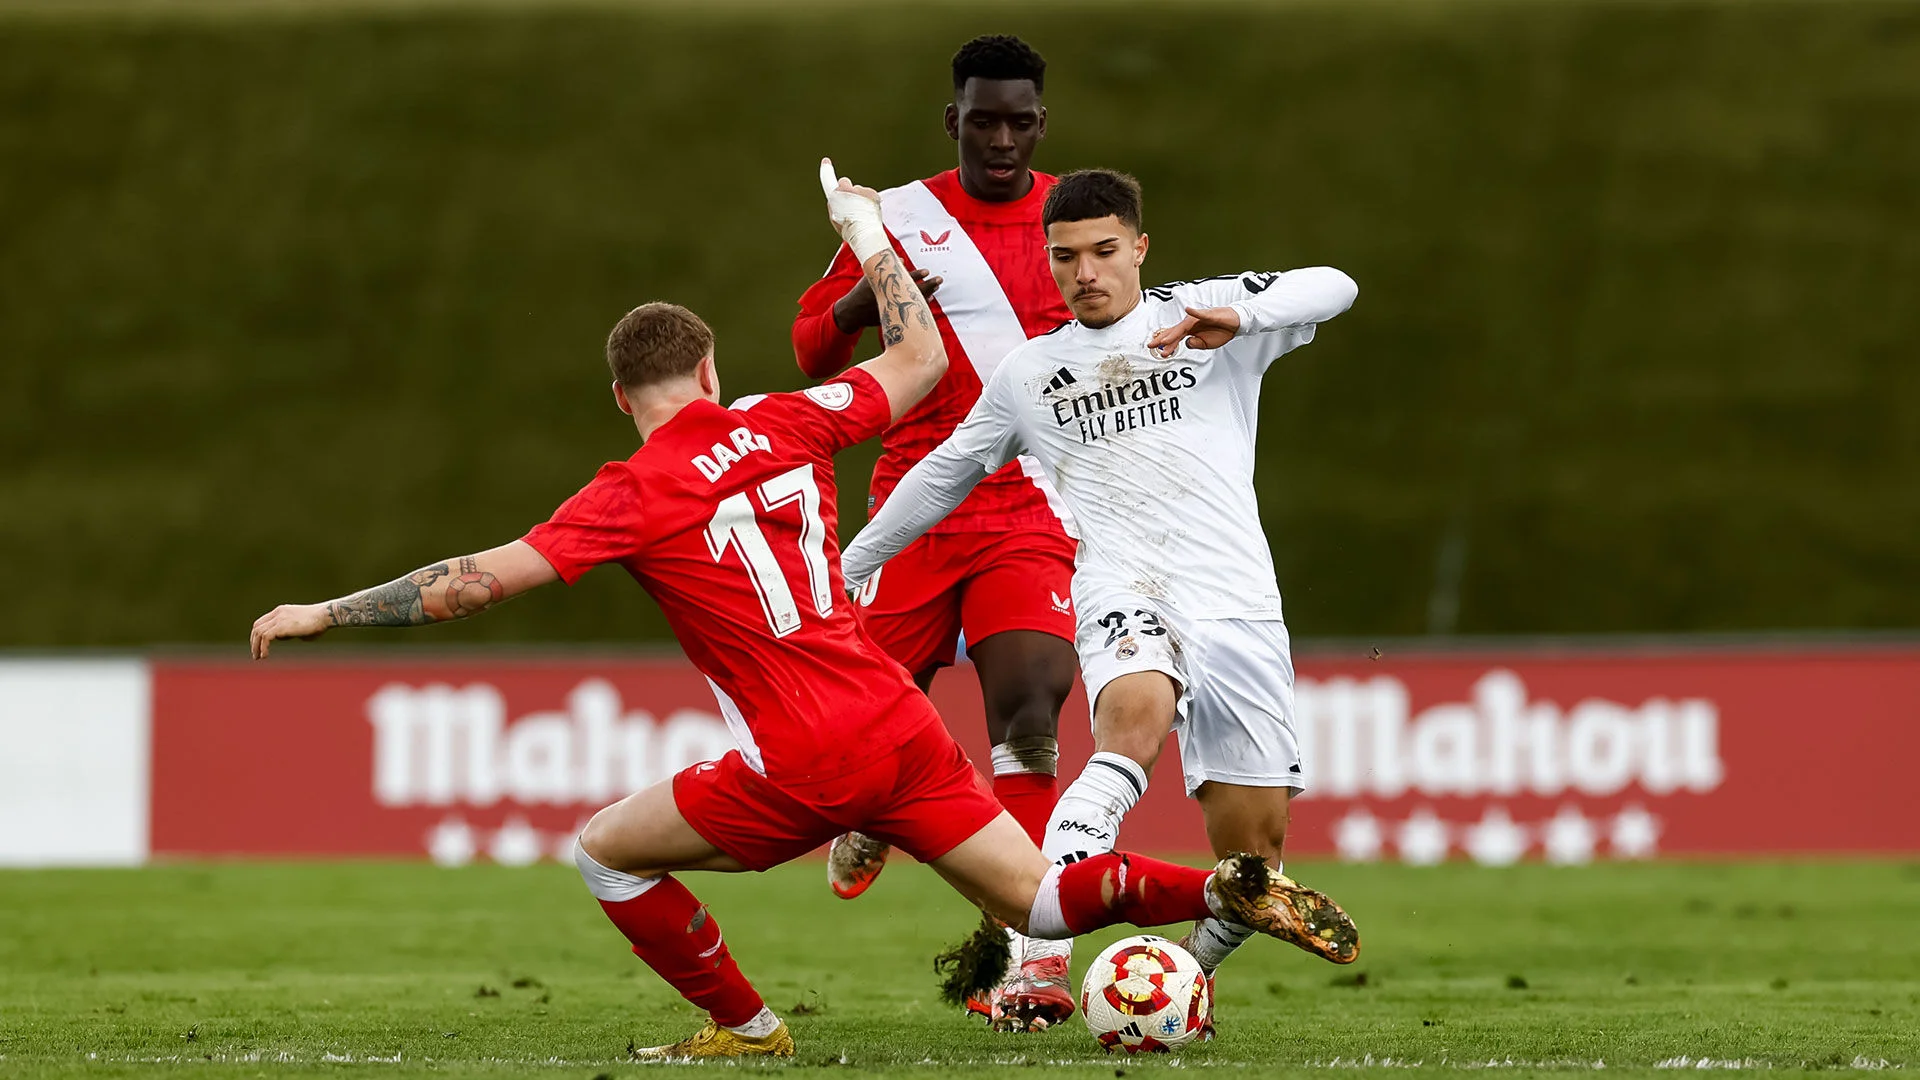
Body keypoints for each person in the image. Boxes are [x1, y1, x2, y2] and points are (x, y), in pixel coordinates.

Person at [249, 161, 1349, 1060]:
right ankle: (1218, 886)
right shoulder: (792, 419)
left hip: (804, 758)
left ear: (621, 400)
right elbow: (919, 359)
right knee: (1039, 905)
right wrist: (870, 232)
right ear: (715, 369)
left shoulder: (628, 493)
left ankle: (747, 1028)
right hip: (898, 720)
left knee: (606, 852)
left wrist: (328, 614)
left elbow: (475, 581)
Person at [840, 168, 1364, 1033]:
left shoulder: (1205, 316)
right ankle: (1037, 961)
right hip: (1125, 588)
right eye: (1066, 256)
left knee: (1255, 858)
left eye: (1104, 251)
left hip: (1237, 605)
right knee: (1130, 726)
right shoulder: (1031, 372)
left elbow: (1336, 287)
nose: (1085, 272)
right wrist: (854, 562)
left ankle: (1175, 977)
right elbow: (943, 474)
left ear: (1140, 249)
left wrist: (1245, 315)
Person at [790, 34, 1081, 1031]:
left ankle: (1033, 959)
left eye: (1020, 121)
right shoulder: (900, 218)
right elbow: (807, 343)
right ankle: (873, 816)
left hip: (1033, 505)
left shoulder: (1071, 218)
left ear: (1041, 123)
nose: (1001, 138)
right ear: (953, 120)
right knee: (859, 739)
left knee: (1032, 714)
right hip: (915, 500)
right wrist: (873, 284)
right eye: (982, 119)